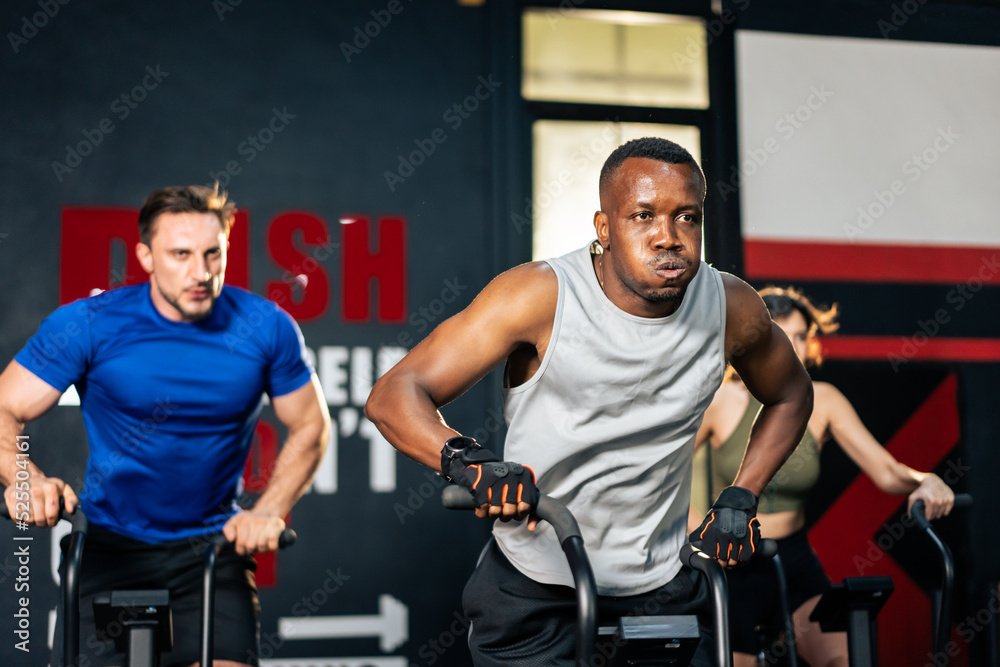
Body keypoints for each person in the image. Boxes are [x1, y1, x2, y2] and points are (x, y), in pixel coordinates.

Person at [365, 137, 814, 666]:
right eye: (643, 216)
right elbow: (395, 392)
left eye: (686, 218)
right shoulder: (541, 295)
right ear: (604, 229)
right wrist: (469, 462)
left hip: (665, 583)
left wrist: (742, 496)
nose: (668, 237)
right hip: (538, 587)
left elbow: (791, 394)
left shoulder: (730, 305)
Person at [0, 184, 331, 667]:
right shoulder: (91, 324)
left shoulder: (266, 327)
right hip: (112, 550)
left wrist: (271, 509)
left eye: (212, 254)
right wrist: (21, 476)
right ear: (146, 256)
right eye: (180, 254)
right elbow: (5, 407)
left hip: (213, 553)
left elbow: (310, 426)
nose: (200, 273)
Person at [689, 285, 955, 667]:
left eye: (800, 336)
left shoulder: (823, 399)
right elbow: (665, 478)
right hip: (732, 564)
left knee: (845, 658)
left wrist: (923, 480)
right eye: (782, 335)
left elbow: (886, 471)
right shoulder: (721, 400)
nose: (793, 347)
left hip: (795, 559)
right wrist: (702, 538)